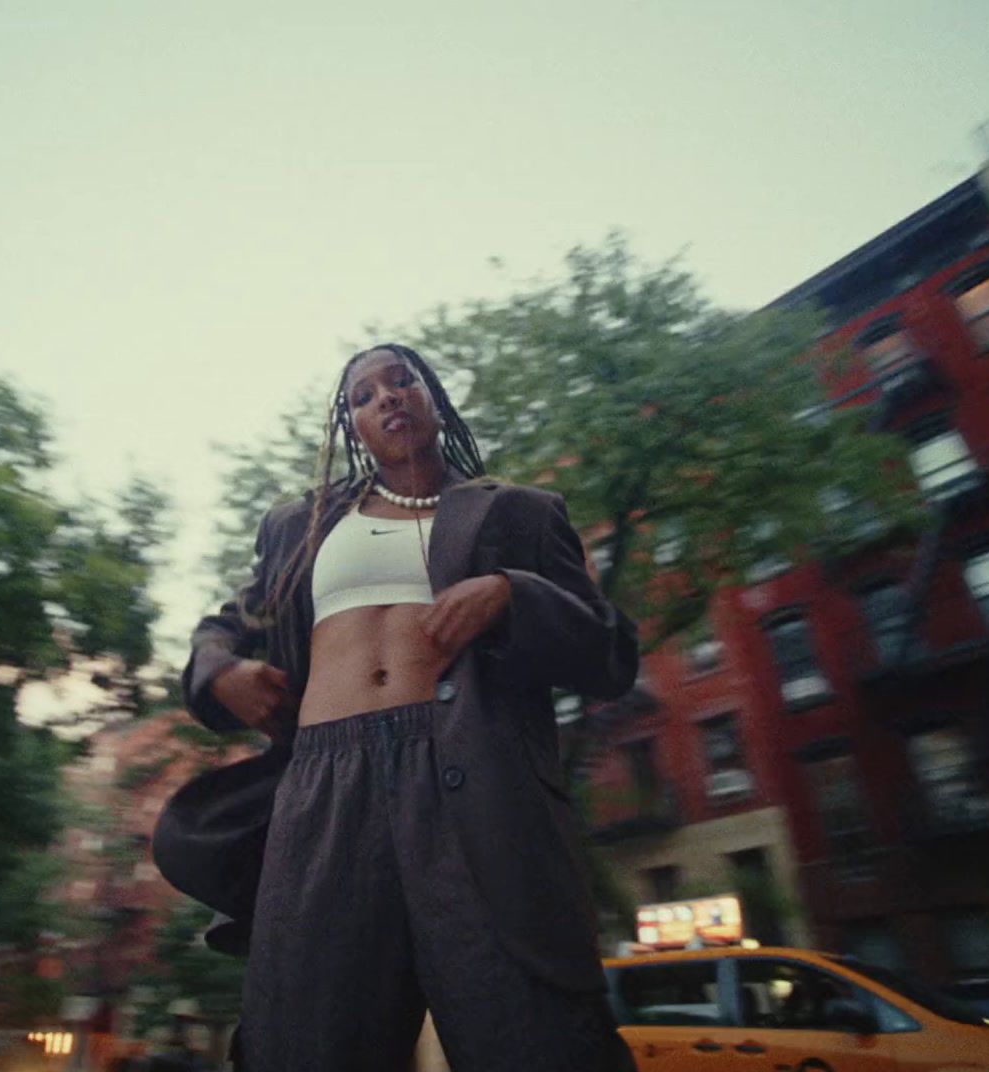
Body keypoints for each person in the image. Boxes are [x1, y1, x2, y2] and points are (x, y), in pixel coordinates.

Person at [172, 344, 639, 1072]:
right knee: (303, 1038)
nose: (385, 398)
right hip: (324, 788)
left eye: (401, 381)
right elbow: (230, 625)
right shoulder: (303, 526)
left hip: (475, 783)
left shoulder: (518, 512)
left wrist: (513, 593)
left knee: (530, 1030)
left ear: (432, 396)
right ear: (351, 424)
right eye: (363, 395)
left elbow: (609, 650)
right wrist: (221, 669)